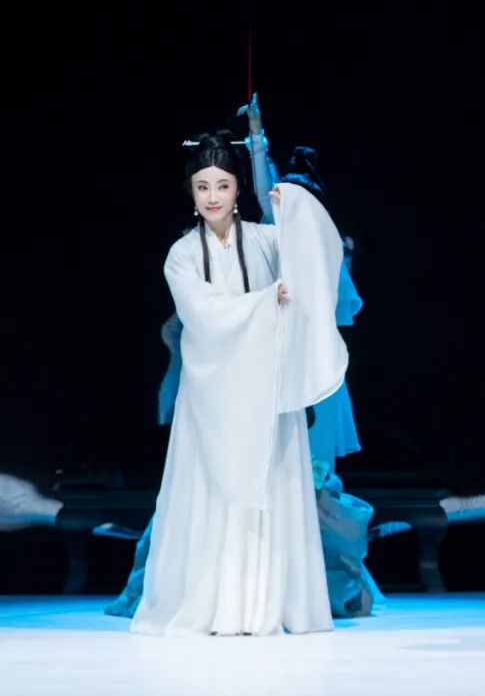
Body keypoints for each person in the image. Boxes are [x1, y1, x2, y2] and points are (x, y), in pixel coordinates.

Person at [131, 130, 347, 636]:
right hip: (212, 396)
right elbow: (203, 315)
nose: (213, 197)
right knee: (214, 490)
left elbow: (315, 252)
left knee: (270, 486)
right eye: (202, 186)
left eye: (223, 185)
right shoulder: (182, 254)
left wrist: (291, 206)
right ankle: (214, 604)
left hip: (266, 392)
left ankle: (266, 603)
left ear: (237, 189)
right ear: (190, 191)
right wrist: (266, 301)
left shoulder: (266, 241)